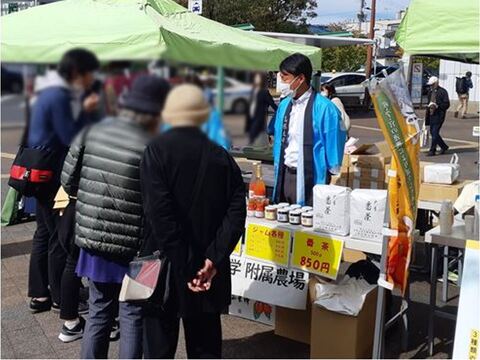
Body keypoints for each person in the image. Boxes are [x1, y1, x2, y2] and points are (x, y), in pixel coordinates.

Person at [61, 75, 171, 357]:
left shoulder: (91, 129)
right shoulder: (155, 142)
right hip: (137, 244)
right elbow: (158, 198)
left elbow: (68, 179)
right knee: (132, 312)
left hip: (94, 236)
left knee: (99, 310)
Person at [140, 84, 246, 359]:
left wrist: (188, 267)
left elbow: (159, 214)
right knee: (205, 346)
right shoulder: (221, 156)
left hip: (164, 265)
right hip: (209, 272)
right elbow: (236, 214)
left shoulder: (156, 152)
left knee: (158, 346)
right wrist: (212, 259)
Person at [27, 48, 100, 314]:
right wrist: (86, 111)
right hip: (54, 177)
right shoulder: (59, 96)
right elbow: (70, 136)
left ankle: (39, 293)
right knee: (60, 237)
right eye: (88, 73)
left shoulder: (46, 92)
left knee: (43, 233)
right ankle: (60, 295)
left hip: (38, 174)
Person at [271, 53, 347, 205]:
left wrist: (333, 175)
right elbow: (279, 138)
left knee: (307, 221)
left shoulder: (325, 108)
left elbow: (334, 143)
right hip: (285, 173)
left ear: (300, 79)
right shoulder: (285, 105)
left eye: (285, 77)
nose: (281, 82)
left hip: (312, 175)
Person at [246, 72, 278, 144]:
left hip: (259, 116)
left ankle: (253, 145)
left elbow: (271, 103)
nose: (256, 80)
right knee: (255, 133)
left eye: (258, 79)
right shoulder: (253, 90)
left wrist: (279, 111)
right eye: (255, 79)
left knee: (254, 133)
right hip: (251, 115)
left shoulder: (265, 92)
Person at [426, 76, 450, 156]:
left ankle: (432, 150)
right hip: (431, 114)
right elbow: (428, 101)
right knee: (433, 133)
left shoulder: (443, 92)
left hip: (439, 115)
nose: (431, 86)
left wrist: (438, 106)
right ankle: (444, 146)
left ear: (436, 83)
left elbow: (447, 104)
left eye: (432, 84)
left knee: (435, 132)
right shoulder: (430, 91)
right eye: (430, 85)